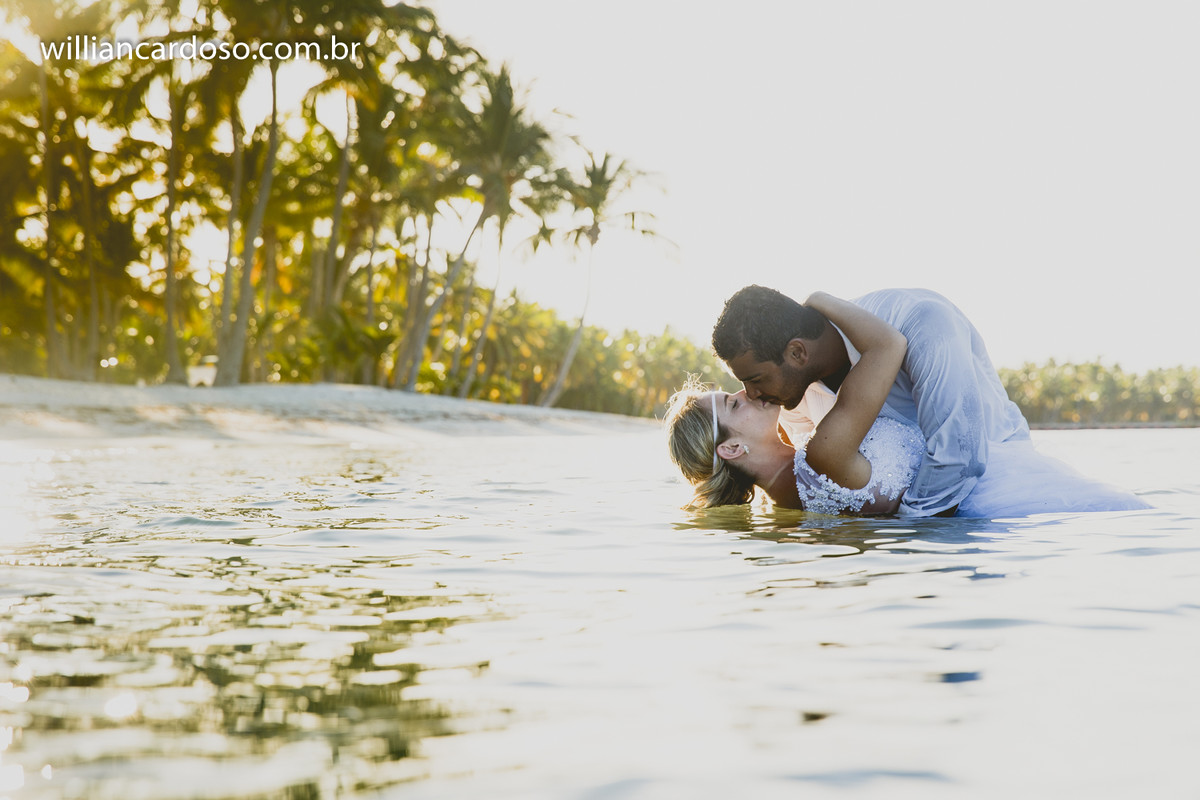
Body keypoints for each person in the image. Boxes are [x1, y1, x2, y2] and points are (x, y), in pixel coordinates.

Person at [702, 286, 1148, 517]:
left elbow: (959, 454)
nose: (753, 393)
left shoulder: (920, 321)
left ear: (797, 351)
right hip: (925, 526)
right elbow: (810, 465)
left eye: (755, 379)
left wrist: (907, 534)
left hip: (998, 487)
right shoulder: (793, 392)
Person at [665, 292, 926, 513]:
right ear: (732, 448)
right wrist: (818, 300)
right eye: (733, 405)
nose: (747, 393)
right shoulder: (823, 455)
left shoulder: (782, 501)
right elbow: (889, 345)